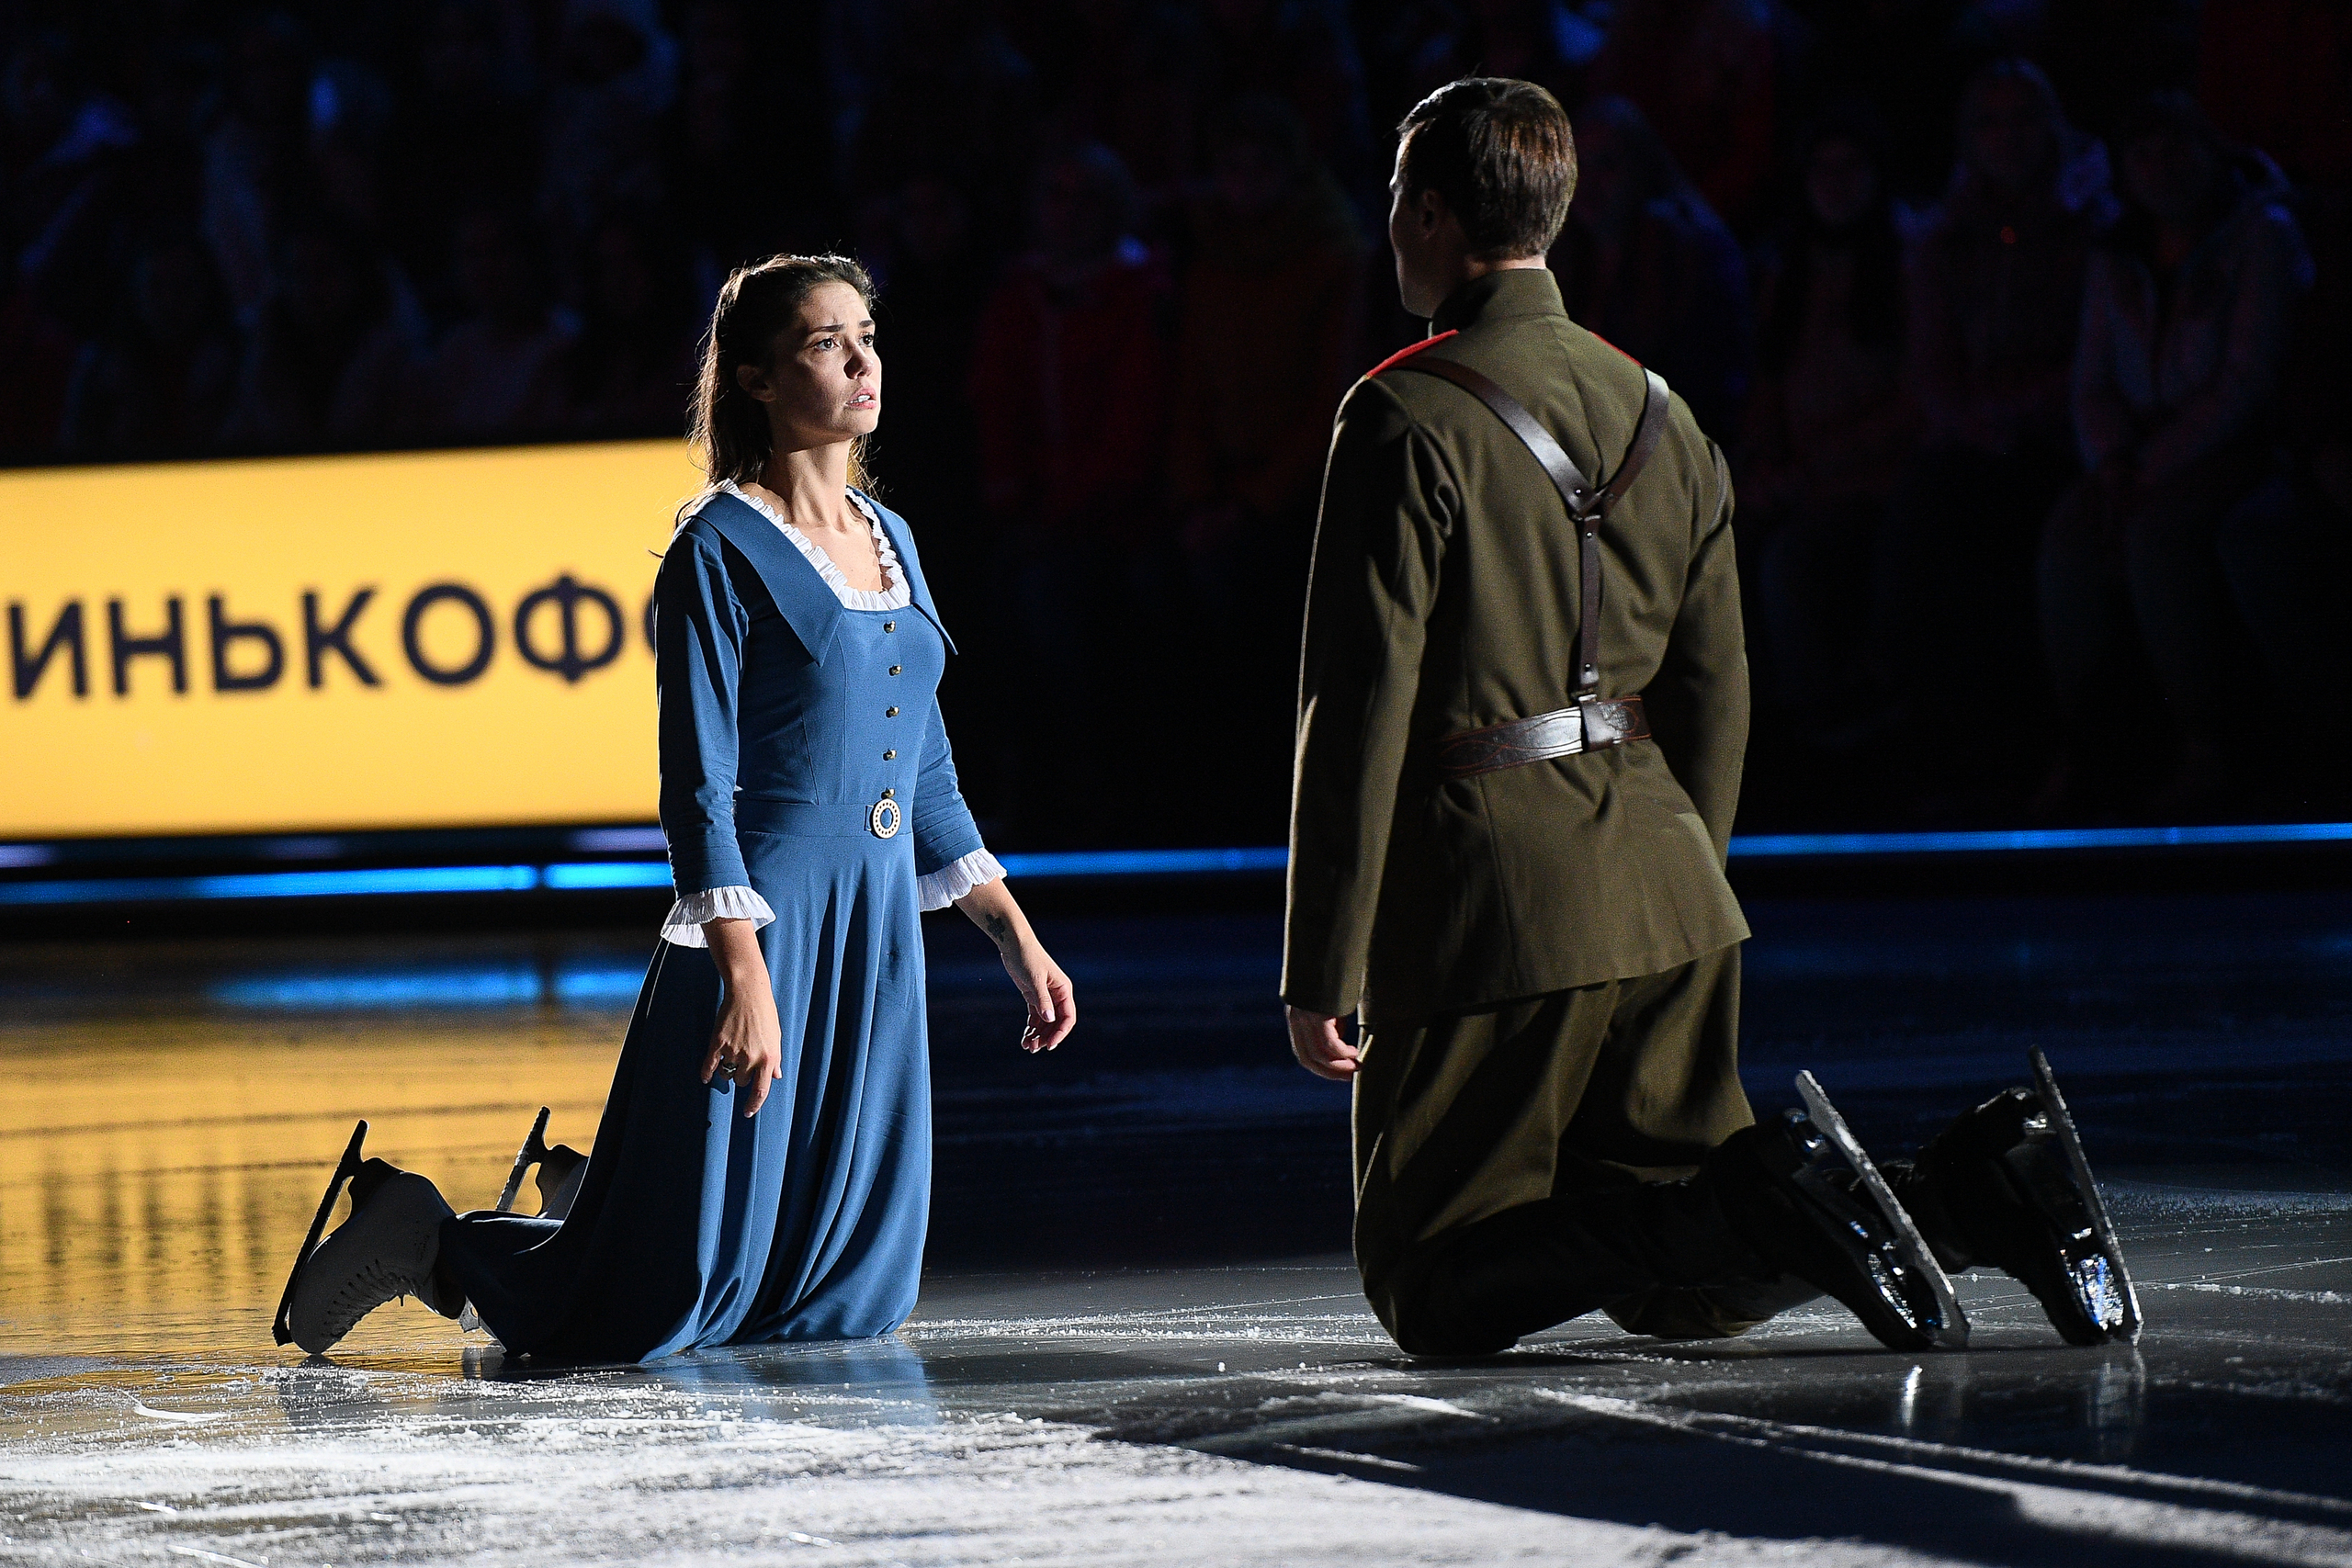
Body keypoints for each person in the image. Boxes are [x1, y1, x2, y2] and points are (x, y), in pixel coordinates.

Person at [1283, 76, 2139, 1360]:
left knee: (1430, 1278)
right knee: (1685, 1275)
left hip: (1493, 901)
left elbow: (1357, 702)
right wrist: (1679, 866)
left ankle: (1789, 1192)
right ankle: (1980, 1184)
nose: (1388, 220)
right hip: (1668, 877)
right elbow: (1720, 686)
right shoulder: (1662, 412)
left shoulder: (1402, 412)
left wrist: (1323, 958)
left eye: (1403, 194)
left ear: (1443, 216)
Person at [280, 254, 1079, 1360]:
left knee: (841, 1295)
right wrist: (744, 975)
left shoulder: (894, 543)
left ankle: (599, 1204)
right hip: (765, 923)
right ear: (754, 377)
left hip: (873, 927)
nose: (861, 362)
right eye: (824, 343)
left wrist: (1013, 932)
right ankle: (430, 1237)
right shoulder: (719, 548)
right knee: (648, 1317)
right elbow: (697, 787)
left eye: (867, 336)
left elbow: (923, 765)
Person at [2037, 94, 2312, 819]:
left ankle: (2206, 744)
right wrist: (2114, 460)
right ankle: (2091, 742)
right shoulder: (2117, 253)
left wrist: (2154, 464)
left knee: (2159, 542)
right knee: (2068, 542)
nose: (2158, 167)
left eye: (2174, 148)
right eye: (2141, 154)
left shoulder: (2262, 236)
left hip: (2236, 448)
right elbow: (2091, 377)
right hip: (2134, 452)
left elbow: (2249, 379)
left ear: (2209, 149)